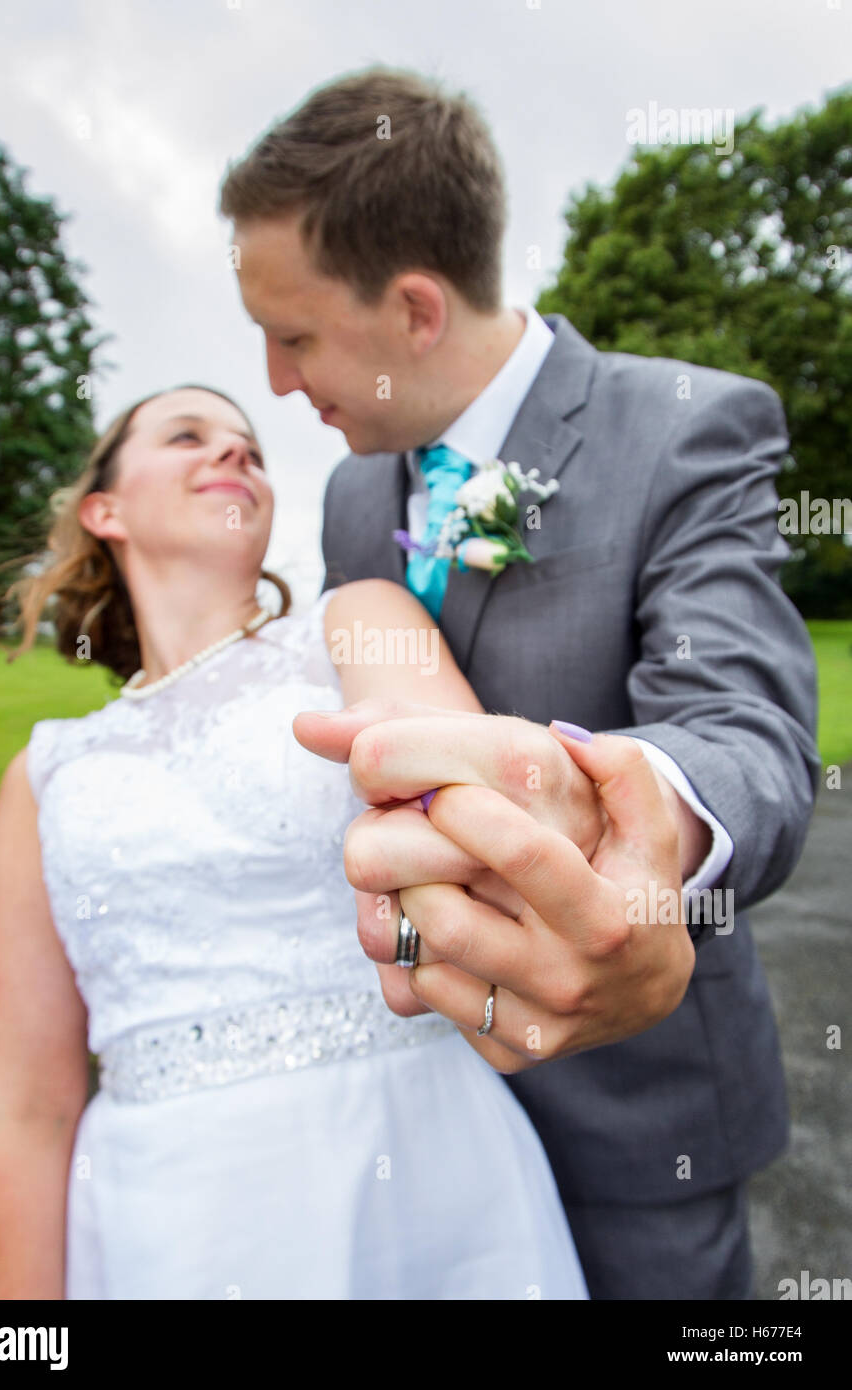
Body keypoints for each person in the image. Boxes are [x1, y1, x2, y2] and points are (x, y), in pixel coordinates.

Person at [218, 67, 821, 1299]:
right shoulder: (350, 492)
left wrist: (638, 821)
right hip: (401, 1119)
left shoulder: (684, 426)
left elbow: (748, 733)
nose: (276, 382)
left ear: (416, 310)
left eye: (293, 335)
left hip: (633, 1106)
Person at [0, 383, 591, 1299]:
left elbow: (485, 836)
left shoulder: (354, 625)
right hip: (168, 1219)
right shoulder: (45, 773)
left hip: (414, 1161)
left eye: (249, 448)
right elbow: (21, 1107)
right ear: (104, 510)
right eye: (189, 437)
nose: (234, 456)